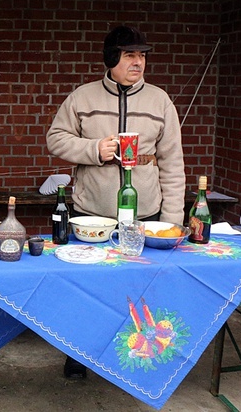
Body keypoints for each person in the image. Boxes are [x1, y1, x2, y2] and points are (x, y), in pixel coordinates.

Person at [46, 25, 185, 379]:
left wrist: (171, 220)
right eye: (129, 55)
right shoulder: (82, 97)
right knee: (86, 288)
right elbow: (55, 139)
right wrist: (92, 149)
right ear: (111, 59)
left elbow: (172, 163)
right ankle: (77, 354)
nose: (138, 62)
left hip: (147, 213)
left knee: (140, 289)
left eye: (142, 55)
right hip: (92, 214)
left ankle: (137, 357)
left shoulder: (160, 100)